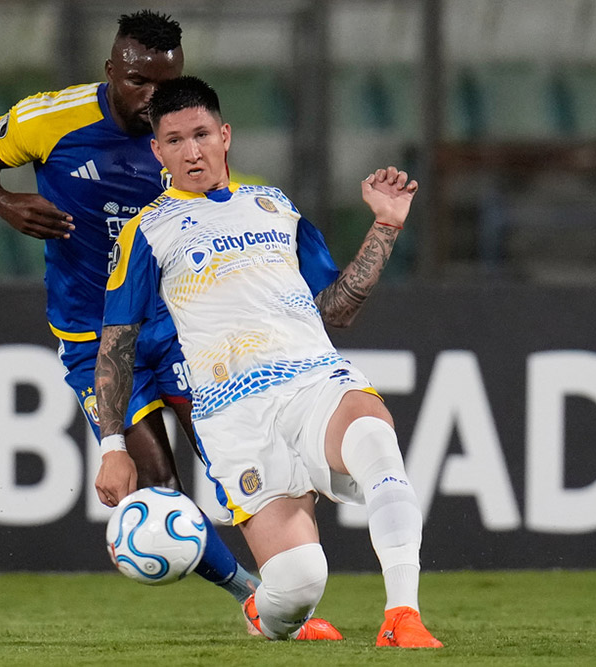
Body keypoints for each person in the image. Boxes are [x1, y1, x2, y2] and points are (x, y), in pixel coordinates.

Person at [0, 11, 341, 639]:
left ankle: (285, 590)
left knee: (228, 458)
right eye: (137, 83)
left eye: (165, 85)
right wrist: (3, 202)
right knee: (156, 483)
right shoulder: (48, 119)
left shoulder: (177, 140)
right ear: (111, 70)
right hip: (98, 339)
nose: (151, 99)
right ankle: (256, 600)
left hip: (183, 330)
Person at [94, 75, 443, 649]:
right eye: (175, 140)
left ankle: (402, 615)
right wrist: (112, 448)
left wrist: (385, 227)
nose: (192, 151)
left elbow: (337, 308)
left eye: (202, 134)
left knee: (377, 444)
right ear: (157, 151)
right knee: (301, 583)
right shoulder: (147, 232)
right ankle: (265, 609)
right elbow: (117, 345)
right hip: (234, 416)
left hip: (313, 380)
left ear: (224, 135)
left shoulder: (274, 206)